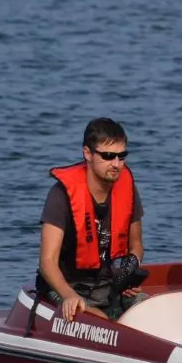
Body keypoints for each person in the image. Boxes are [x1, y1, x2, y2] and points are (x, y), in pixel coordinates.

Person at [38, 118, 145, 322]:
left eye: (122, 156)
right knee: (99, 321)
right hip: (65, 287)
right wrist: (69, 295)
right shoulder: (61, 195)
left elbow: (137, 245)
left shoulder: (127, 189)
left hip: (106, 285)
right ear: (88, 153)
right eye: (108, 156)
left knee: (149, 309)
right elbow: (47, 262)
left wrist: (127, 275)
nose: (116, 164)